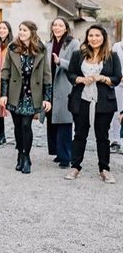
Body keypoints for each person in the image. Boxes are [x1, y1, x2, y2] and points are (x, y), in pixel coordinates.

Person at [64, 24, 121, 183]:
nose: (94, 39)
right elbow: (70, 74)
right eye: (91, 35)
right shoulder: (78, 55)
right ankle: (75, 167)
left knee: (102, 136)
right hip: (81, 99)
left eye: (97, 35)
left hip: (103, 102)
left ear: (103, 38)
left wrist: (102, 78)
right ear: (87, 38)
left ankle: (104, 169)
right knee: (79, 133)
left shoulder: (112, 55)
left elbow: (117, 78)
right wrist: (80, 79)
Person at [0, 21, 52, 174]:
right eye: (20, 29)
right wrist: (3, 94)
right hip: (15, 94)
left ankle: (26, 157)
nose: (21, 32)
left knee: (26, 126)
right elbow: (5, 72)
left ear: (32, 32)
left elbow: (46, 74)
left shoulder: (41, 49)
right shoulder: (13, 48)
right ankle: (19, 155)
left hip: (32, 94)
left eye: (25, 30)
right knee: (17, 126)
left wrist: (47, 97)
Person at [45, 17, 80, 167]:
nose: (57, 28)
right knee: (51, 120)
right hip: (50, 86)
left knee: (64, 122)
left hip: (65, 86)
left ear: (66, 28)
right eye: (55, 25)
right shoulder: (48, 44)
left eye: (60, 25)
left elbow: (77, 64)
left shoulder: (74, 43)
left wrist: (60, 62)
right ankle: (58, 153)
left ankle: (66, 156)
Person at [110, 40, 123, 153]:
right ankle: (116, 140)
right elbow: (112, 63)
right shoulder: (117, 46)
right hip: (119, 83)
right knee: (117, 112)